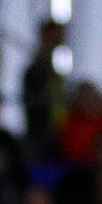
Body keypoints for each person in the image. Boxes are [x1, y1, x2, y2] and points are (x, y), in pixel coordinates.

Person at [22, 20, 68, 157]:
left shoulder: (50, 65)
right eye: (57, 33)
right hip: (43, 131)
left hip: (55, 129)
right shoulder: (39, 66)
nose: (61, 37)